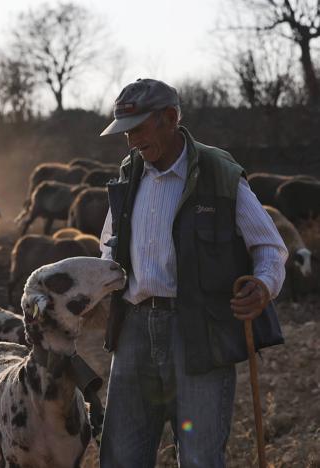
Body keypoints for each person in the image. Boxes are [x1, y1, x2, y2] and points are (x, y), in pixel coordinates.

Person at [98, 78, 287, 467]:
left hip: (199, 330)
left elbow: (269, 247)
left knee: (200, 456)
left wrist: (263, 285)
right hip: (133, 329)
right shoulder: (129, 174)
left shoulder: (219, 173)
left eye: (138, 129)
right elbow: (108, 243)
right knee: (122, 455)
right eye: (125, 133)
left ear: (170, 118)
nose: (131, 141)